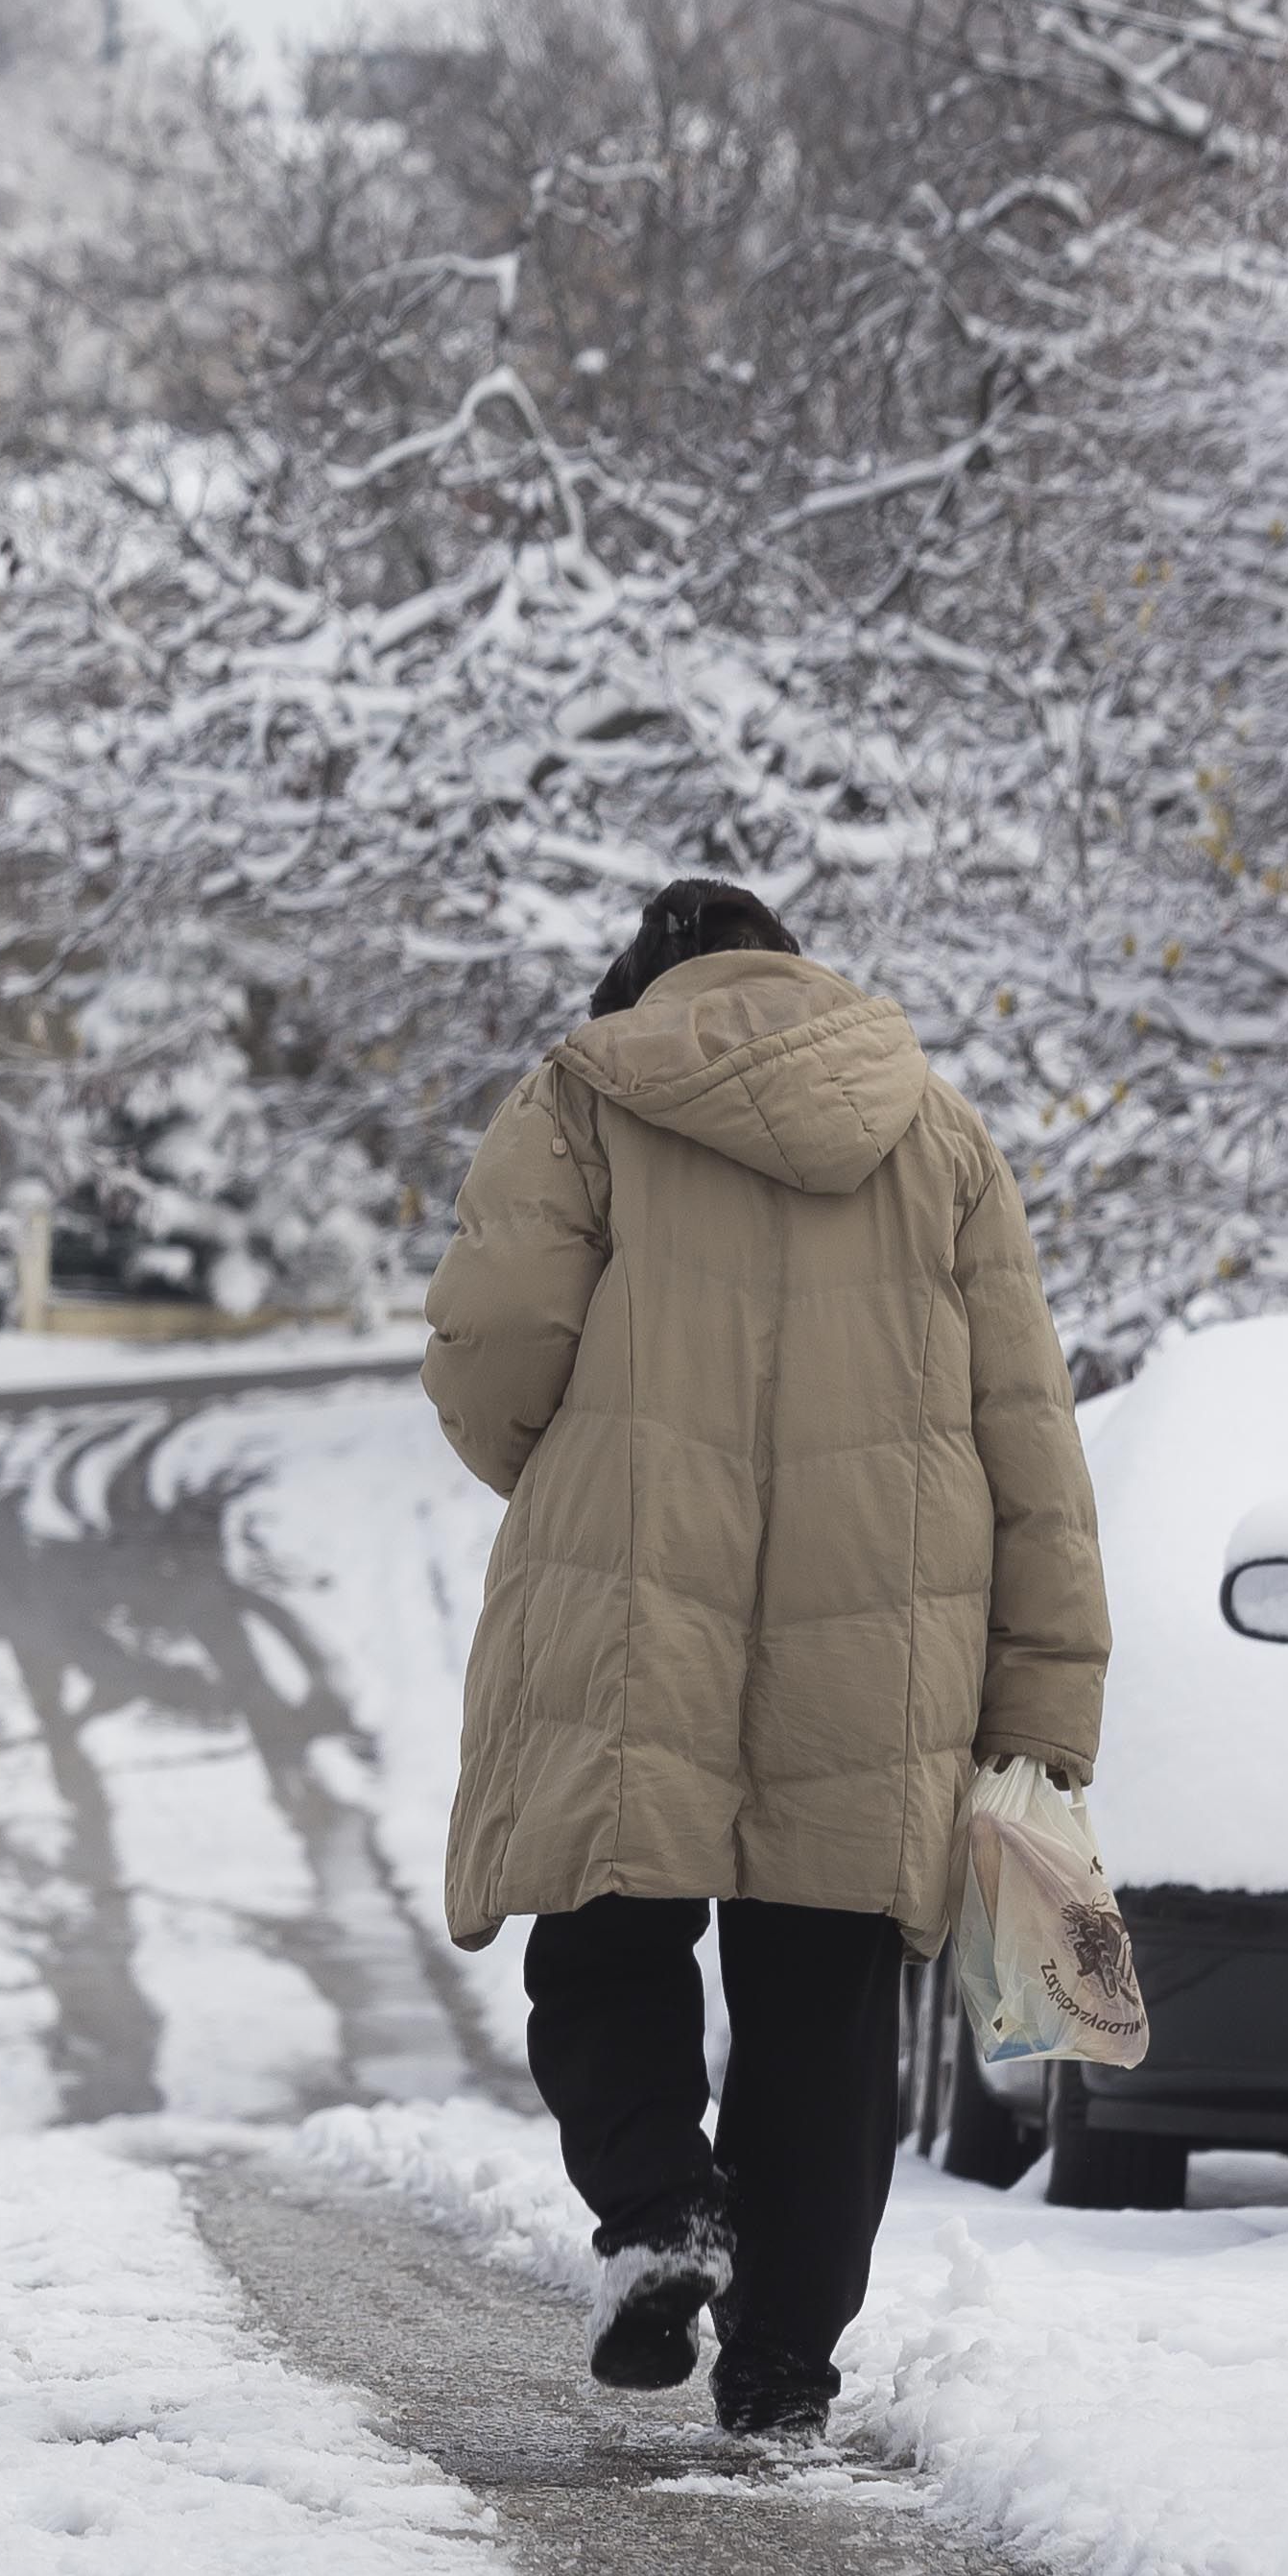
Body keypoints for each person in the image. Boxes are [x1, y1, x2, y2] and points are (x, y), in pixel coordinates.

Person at [419, 876, 1108, 2439]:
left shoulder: (583, 1099)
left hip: (631, 1588)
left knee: (604, 1933)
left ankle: (662, 2211)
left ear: (645, 981)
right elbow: (1029, 1432)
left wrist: (573, 1456)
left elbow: (492, 1351)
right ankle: (788, 2358)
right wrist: (1050, 1686)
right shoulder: (936, 1134)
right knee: (821, 1990)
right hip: (885, 1615)